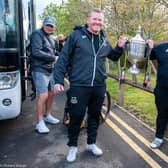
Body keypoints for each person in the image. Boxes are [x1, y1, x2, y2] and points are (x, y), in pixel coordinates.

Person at [53, 8, 127, 162]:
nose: (97, 22)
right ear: (88, 20)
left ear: (103, 23)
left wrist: (119, 47)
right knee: (76, 116)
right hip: (79, 85)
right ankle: (72, 146)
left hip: (99, 85)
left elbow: (113, 56)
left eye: (100, 20)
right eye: (95, 19)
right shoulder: (76, 36)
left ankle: (91, 143)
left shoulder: (104, 40)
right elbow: (63, 58)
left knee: (94, 116)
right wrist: (59, 80)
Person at [30, 16, 60, 134]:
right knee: (43, 95)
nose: (49, 27)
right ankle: (39, 122)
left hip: (50, 69)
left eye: (51, 26)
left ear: (54, 27)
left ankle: (47, 115)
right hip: (39, 69)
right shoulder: (37, 34)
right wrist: (53, 57)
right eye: (47, 25)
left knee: (52, 93)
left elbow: (55, 52)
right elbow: (36, 52)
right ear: (43, 24)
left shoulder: (52, 38)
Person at [148, 40, 168, 148]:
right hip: (162, 89)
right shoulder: (161, 47)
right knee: (162, 114)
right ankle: (159, 137)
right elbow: (153, 60)